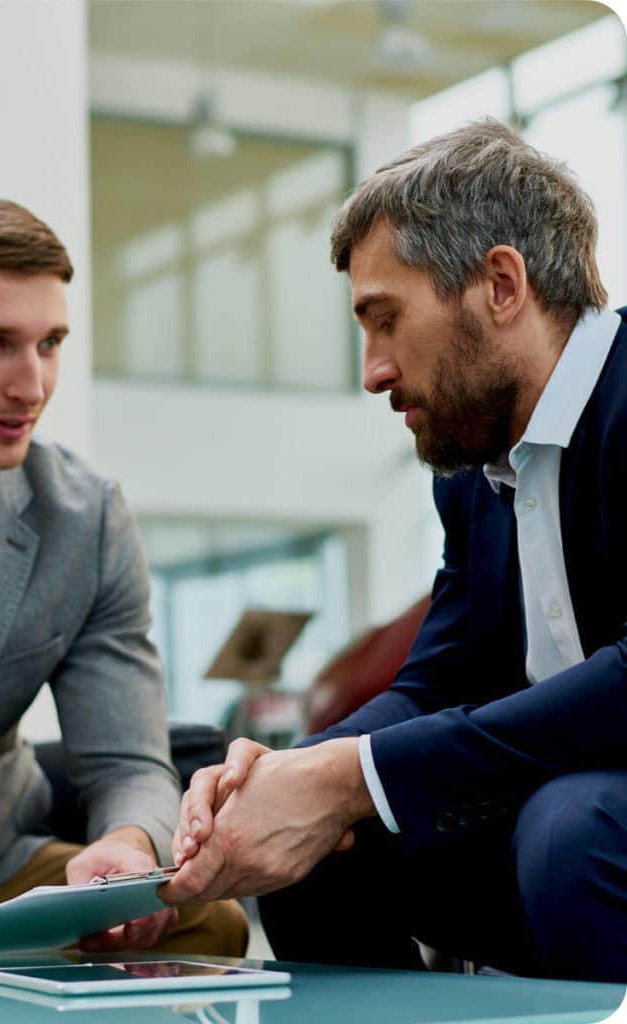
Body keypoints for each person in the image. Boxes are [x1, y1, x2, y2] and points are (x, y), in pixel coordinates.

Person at [162, 119, 627, 983]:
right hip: (559, 824)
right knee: (304, 849)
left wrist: (353, 774)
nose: (373, 372)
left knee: (573, 827)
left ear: (500, 283)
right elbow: (438, 678)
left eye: (387, 321)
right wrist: (294, 774)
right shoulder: (471, 471)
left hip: (584, 828)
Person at [0, 194, 246, 956]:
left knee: (207, 924)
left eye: (51, 343)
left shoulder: (85, 520)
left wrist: (127, 846)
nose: (32, 386)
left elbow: (129, 758)